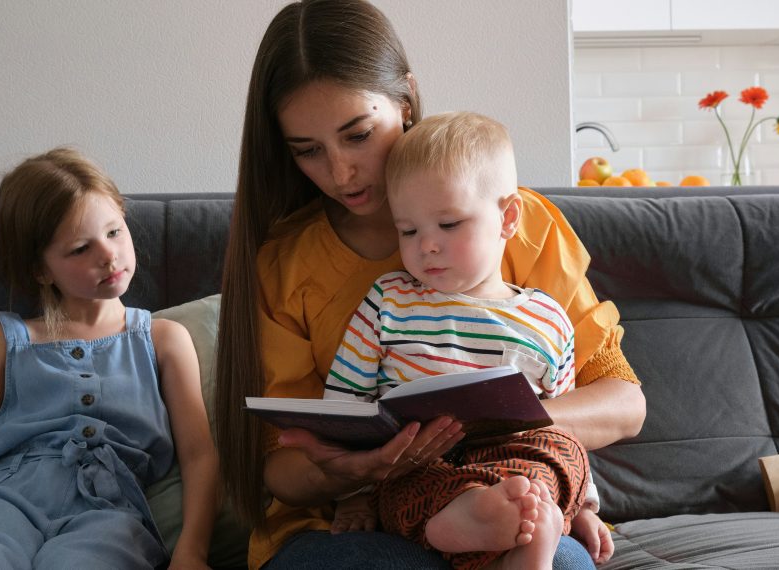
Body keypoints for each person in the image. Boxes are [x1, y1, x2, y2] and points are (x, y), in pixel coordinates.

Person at [213, 1, 643, 568]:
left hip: (508, 489)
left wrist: (494, 429)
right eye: (309, 152)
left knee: (556, 558)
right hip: (343, 525)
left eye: (359, 135)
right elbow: (279, 468)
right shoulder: (285, 264)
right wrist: (351, 469)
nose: (341, 173)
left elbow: (623, 401)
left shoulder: (516, 223)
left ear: (407, 102)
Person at [0, 148, 218, 570]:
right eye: (79, 249)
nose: (108, 255)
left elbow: (200, 456)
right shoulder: (5, 341)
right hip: (5, 499)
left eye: (114, 232)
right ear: (41, 270)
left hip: (108, 510)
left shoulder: (163, 339)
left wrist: (191, 551)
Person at [323, 111, 609, 569]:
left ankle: (532, 524)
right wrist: (352, 497)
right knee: (410, 485)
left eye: (449, 225)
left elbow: (563, 426)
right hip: (423, 464)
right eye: (409, 230)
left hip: (517, 465)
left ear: (508, 217)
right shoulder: (388, 301)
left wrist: (586, 509)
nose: (427, 246)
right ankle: (478, 519)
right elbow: (348, 407)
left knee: (558, 449)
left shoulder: (547, 317)